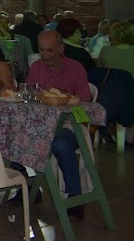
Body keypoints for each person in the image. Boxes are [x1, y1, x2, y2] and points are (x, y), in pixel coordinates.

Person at [26, 30, 93, 221]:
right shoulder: (37, 67)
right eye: (41, 50)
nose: (45, 55)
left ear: (61, 48)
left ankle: (75, 195)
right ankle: (29, 187)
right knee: (10, 137)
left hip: (70, 124)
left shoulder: (76, 68)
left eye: (50, 50)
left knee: (60, 144)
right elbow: (29, 95)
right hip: (41, 124)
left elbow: (85, 102)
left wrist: (65, 98)